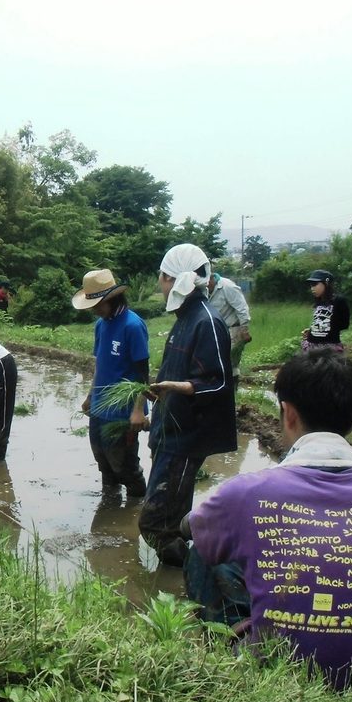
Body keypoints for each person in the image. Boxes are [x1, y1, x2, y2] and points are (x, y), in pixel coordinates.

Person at [184, 350, 352, 694]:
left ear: (288, 414)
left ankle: (229, 649)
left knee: (202, 552)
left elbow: (192, 528)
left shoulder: (246, 492)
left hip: (276, 680)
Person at [139, 243, 237, 567]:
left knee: (156, 523)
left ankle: (198, 572)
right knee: (171, 516)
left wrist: (179, 388)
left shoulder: (207, 321)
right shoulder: (185, 317)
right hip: (169, 429)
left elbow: (219, 382)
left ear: (172, 279)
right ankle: (184, 571)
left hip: (186, 437)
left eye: (162, 278)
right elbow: (174, 371)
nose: (159, 284)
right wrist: (157, 392)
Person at [71, 268, 149, 499]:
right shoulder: (101, 325)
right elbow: (101, 365)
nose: (94, 310)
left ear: (112, 299)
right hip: (99, 407)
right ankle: (110, 509)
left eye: (97, 305)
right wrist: (89, 396)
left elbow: (143, 375)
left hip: (123, 413)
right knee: (103, 460)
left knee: (125, 466)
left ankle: (136, 512)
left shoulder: (133, 326)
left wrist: (138, 410)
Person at [207, 271, 252, 379]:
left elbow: (241, 307)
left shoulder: (227, 286)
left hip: (233, 329)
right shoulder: (205, 290)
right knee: (218, 362)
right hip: (217, 330)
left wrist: (244, 329)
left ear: (211, 278)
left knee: (230, 363)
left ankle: (232, 389)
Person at [301, 269, 350, 352]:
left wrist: (327, 328)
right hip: (311, 346)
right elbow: (318, 321)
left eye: (315, 284)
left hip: (329, 347)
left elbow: (344, 324)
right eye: (311, 285)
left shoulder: (339, 301)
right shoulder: (318, 302)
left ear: (326, 283)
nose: (312, 288)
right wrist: (313, 330)